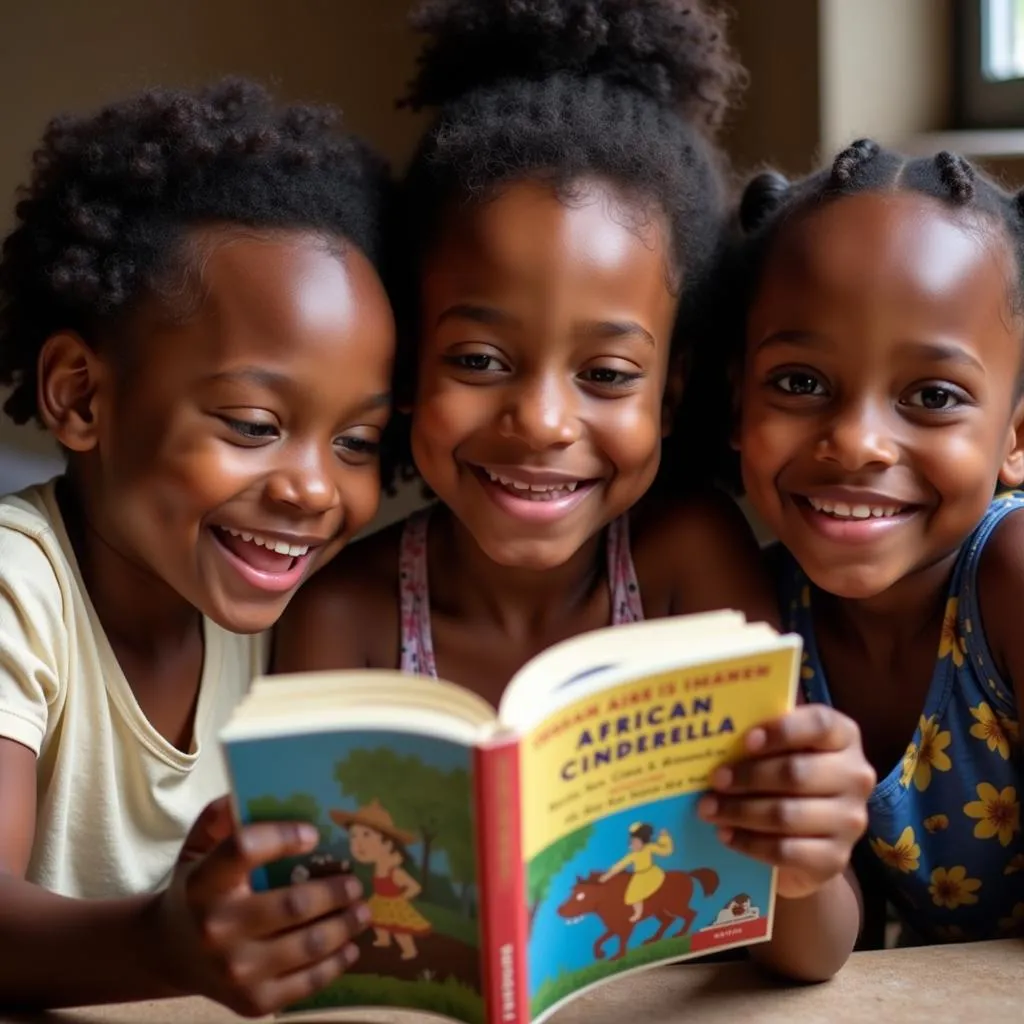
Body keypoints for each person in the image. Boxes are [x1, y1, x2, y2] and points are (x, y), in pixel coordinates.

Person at [276, 0, 874, 982]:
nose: (544, 422)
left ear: (672, 391)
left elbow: (811, 955)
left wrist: (802, 863)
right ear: (405, 366)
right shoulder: (343, 611)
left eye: (605, 374)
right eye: (477, 357)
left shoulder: (689, 557)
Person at [0, 79, 396, 1013]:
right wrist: (161, 941)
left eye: (356, 444)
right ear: (82, 397)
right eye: (255, 423)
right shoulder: (20, 589)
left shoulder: (295, 618)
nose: (311, 487)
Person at [731, 138, 1024, 945]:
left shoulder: (1011, 576)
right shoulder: (765, 618)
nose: (858, 441)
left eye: (933, 395)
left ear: (1016, 435)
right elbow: (826, 953)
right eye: (799, 383)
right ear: (735, 404)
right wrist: (801, 868)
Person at [332, 800, 432, 960]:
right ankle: (383, 940)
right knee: (376, 921)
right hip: (380, 899)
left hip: (393, 902)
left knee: (399, 929)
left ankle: (409, 950)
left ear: (387, 844)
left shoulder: (394, 871)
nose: (357, 843)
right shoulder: (378, 867)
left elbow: (414, 887)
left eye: (366, 835)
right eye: (354, 836)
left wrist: (401, 899)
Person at [600, 823, 674, 922]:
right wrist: (606, 876)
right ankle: (638, 913)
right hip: (639, 877)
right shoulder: (632, 855)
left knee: (659, 890)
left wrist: (664, 837)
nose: (633, 845)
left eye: (636, 842)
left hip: (652, 873)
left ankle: (665, 906)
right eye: (632, 843)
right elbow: (620, 865)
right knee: (632, 897)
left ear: (643, 841)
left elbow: (665, 851)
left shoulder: (649, 847)